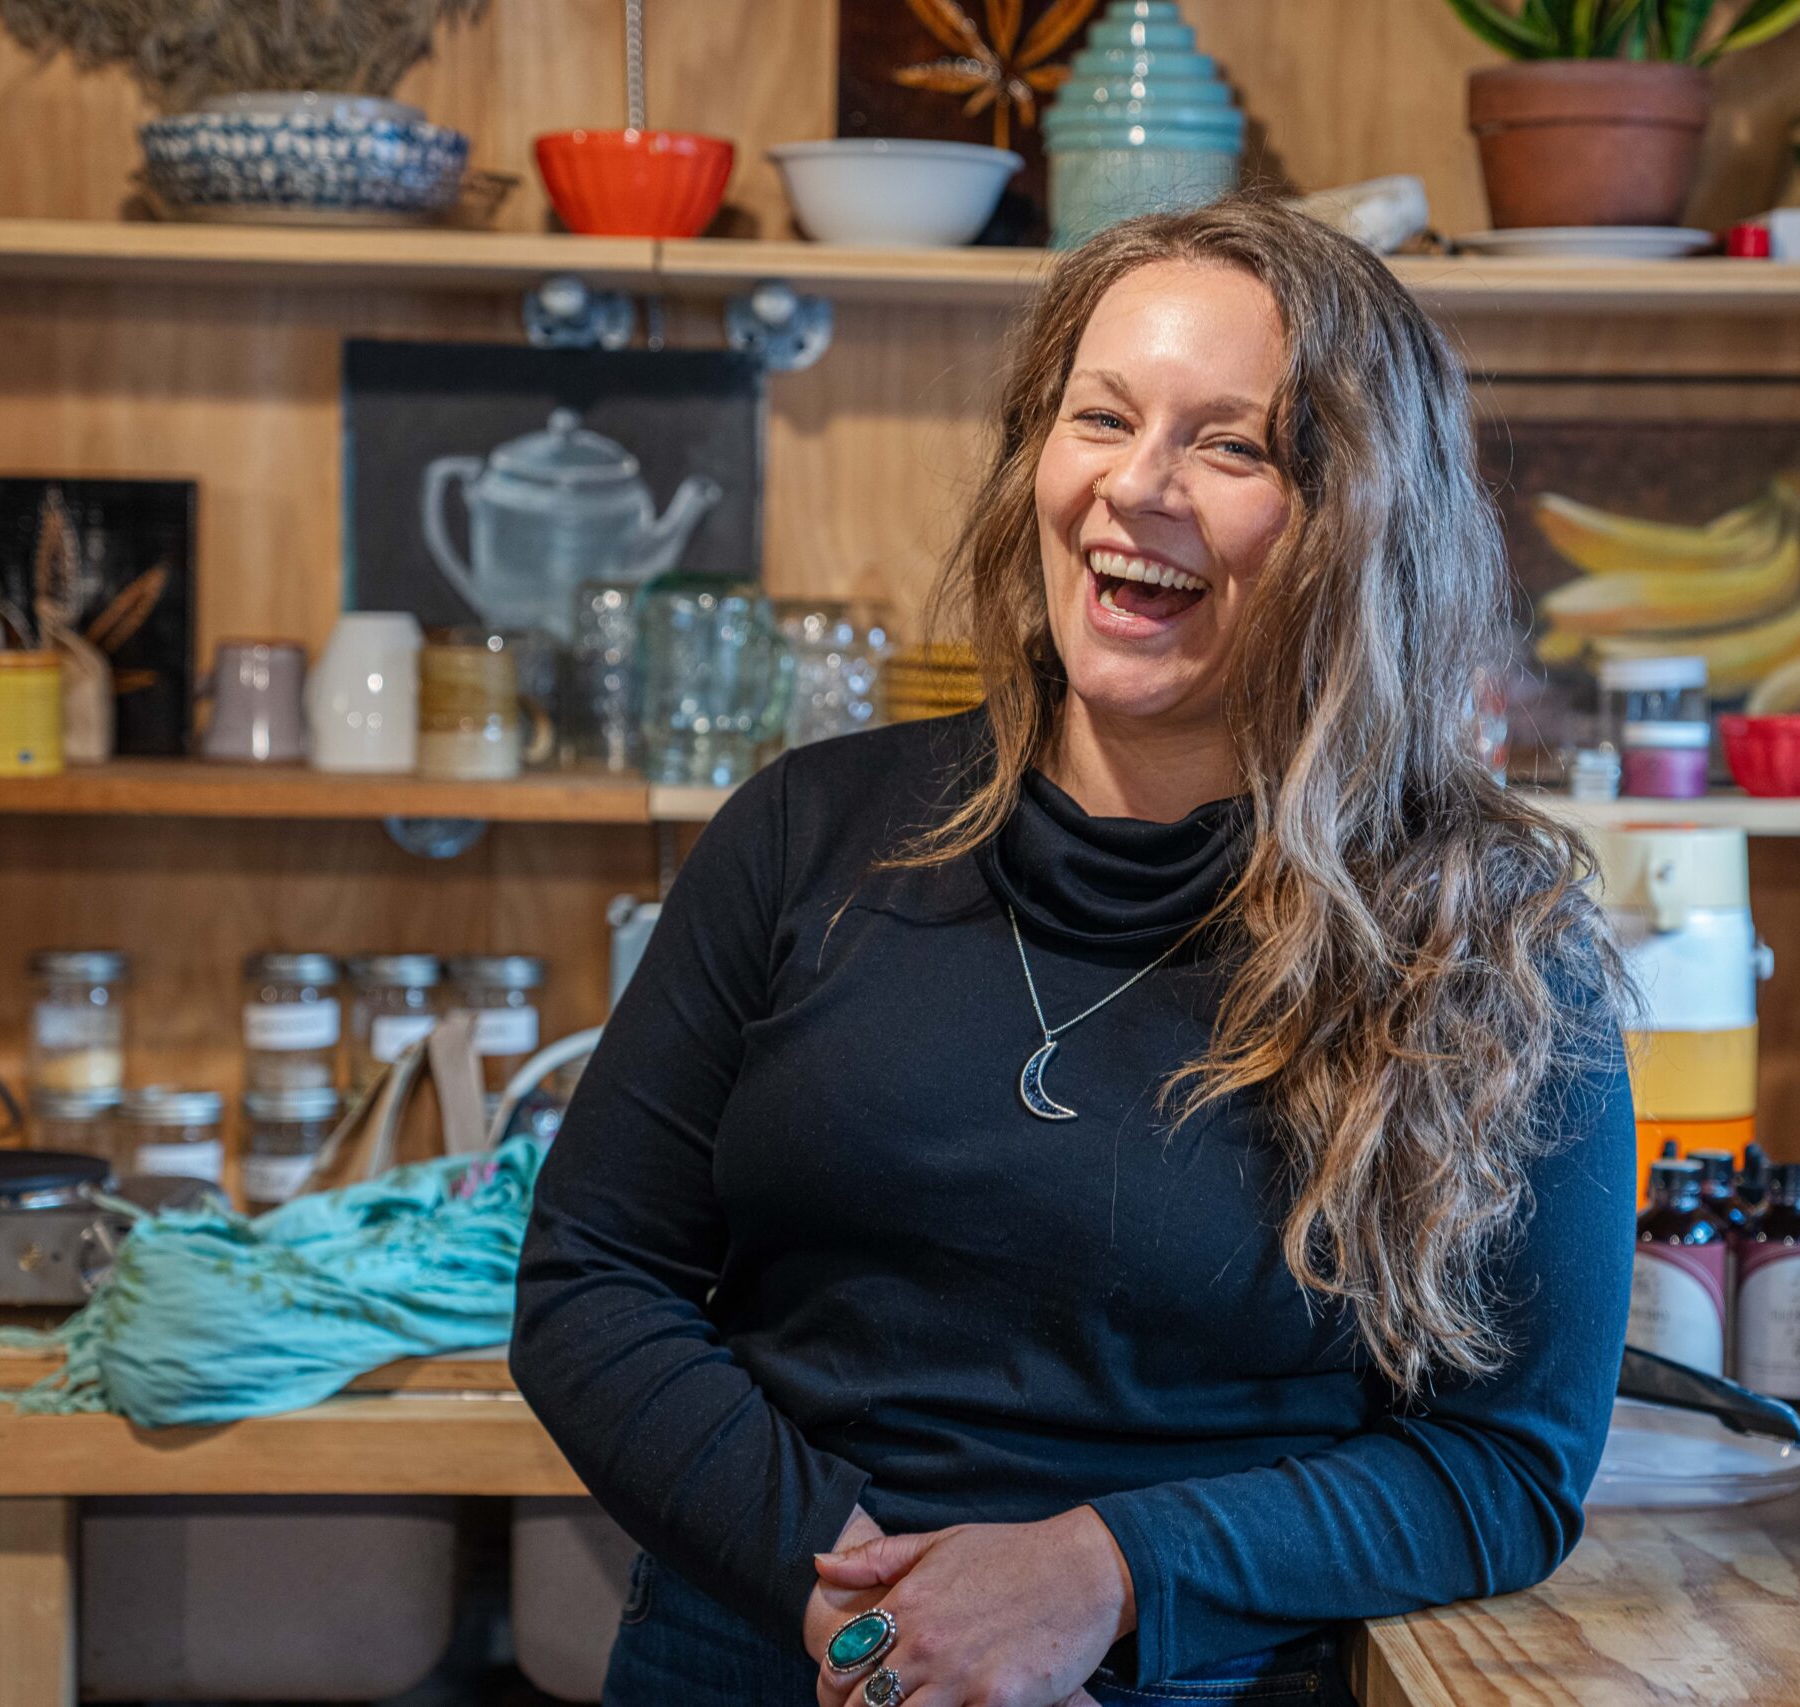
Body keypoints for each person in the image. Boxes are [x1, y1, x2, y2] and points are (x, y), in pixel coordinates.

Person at [511, 193, 1634, 1707]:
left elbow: (1503, 1465)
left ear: (1361, 523)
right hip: (767, 1653)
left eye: (1231, 447)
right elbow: (591, 1281)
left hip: (1182, 1677)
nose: (1136, 488)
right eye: (1101, 417)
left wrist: (1102, 1574)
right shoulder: (804, 834)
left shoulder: (1488, 935)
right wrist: (858, 1607)